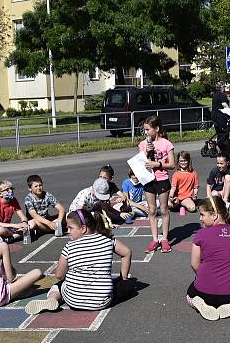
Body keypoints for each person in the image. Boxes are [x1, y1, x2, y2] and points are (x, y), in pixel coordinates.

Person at [25, 209, 132, 314]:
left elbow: (59, 275)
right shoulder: (108, 240)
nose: (68, 232)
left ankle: (52, 299)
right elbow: (127, 253)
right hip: (102, 301)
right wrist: (123, 278)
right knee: (128, 285)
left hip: (73, 301)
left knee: (58, 285)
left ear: (83, 228)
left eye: (71, 228)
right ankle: (120, 282)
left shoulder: (69, 246)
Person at [187, 196, 230, 320]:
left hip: (204, 292)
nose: (200, 218)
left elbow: (194, 264)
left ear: (215, 215)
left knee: (190, 293)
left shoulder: (200, 234)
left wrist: (203, 276)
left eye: (202, 215)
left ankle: (199, 303)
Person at [138, 116, 175, 254]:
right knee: (152, 210)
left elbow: (172, 164)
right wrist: (147, 152)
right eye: (144, 129)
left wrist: (158, 164)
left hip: (162, 179)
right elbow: (140, 163)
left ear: (157, 129)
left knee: (164, 210)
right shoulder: (142, 144)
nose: (146, 132)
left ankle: (164, 239)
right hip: (148, 180)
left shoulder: (166, 144)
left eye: (148, 129)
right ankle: (154, 239)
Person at [169, 151, 199, 216]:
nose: (183, 163)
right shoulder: (176, 174)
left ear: (188, 161)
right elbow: (173, 187)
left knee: (192, 208)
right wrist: (171, 196)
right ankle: (178, 204)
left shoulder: (193, 173)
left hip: (187, 197)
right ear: (178, 162)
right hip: (177, 197)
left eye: (185, 161)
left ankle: (181, 204)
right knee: (168, 205)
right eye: (181, 161)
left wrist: (195, 194)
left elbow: (195, 187)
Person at [211, 81, 230, 155]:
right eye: (224, 86)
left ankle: (220, 146)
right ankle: (225, 148)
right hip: (220, 117)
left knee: (219, 132)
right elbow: (225, 105)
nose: (224, 88)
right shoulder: (222, 95)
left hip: (214, 116)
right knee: (224, 132)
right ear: (221, 87)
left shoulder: (215, 95)